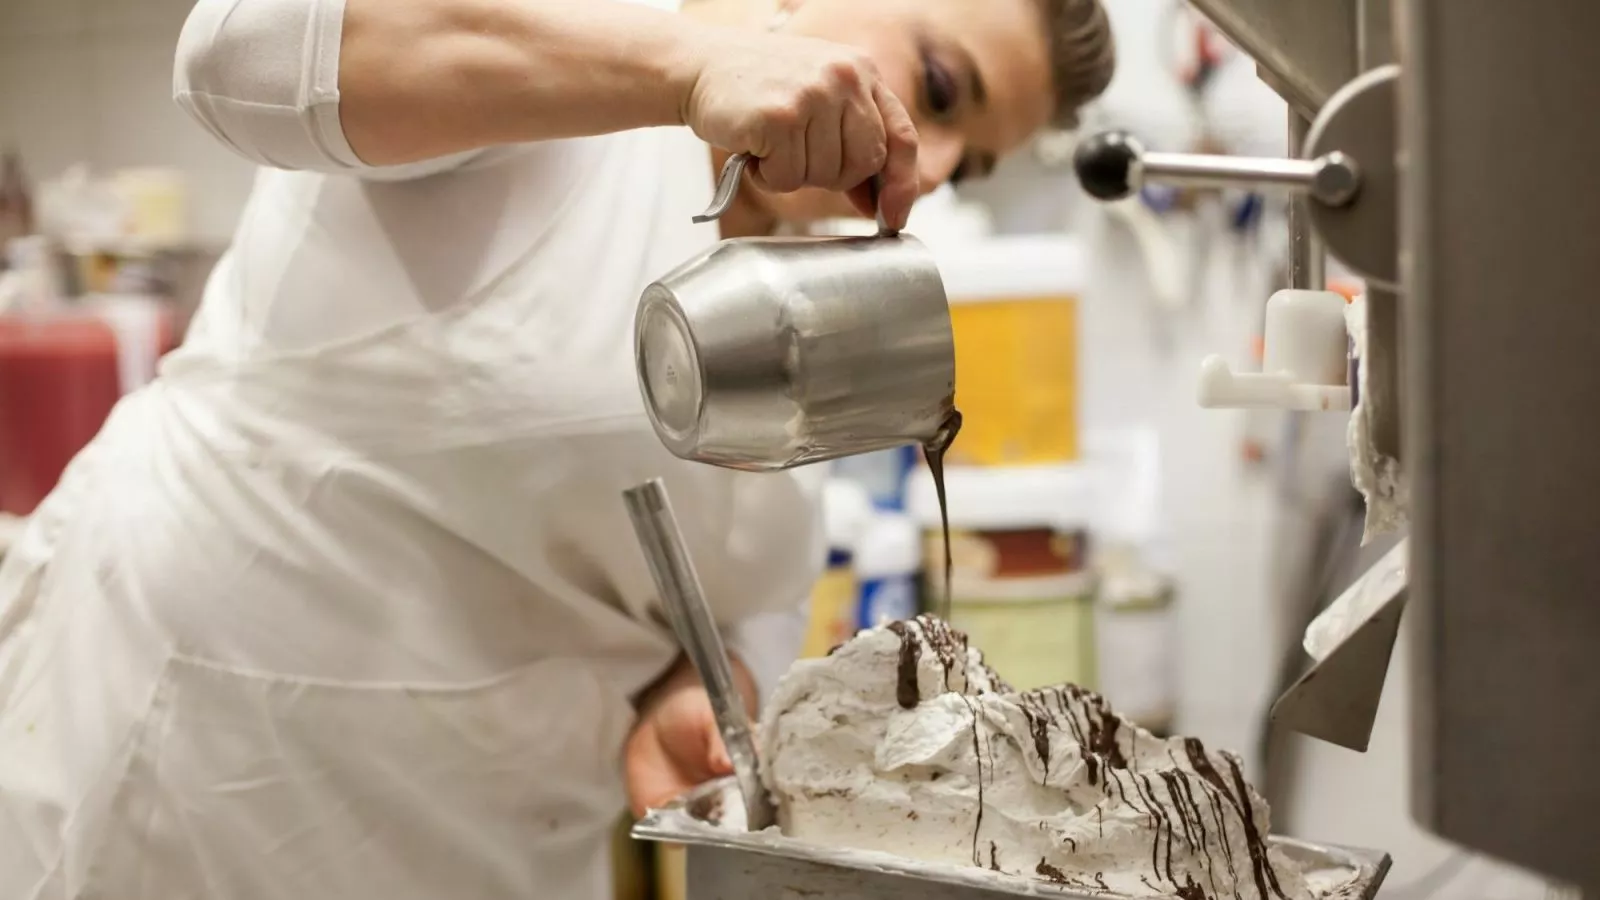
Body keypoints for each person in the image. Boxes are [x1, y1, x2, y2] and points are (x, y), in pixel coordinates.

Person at [0, 0, 1113, 897]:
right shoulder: (583, 54)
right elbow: (238, 55)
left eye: (971, 164)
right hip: (195, 776)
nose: (941, 155)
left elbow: (715, 602)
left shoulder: (789, 316)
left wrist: (693, 691)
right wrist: (696, 62)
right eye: (938, 85)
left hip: (488, 850)